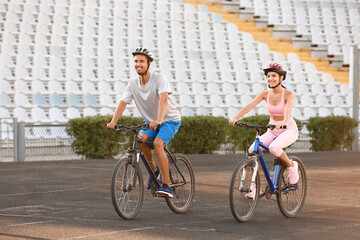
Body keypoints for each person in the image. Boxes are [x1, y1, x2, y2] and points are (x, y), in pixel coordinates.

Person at [107, 48, 181, 198]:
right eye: (136, 61)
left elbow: (164, 99)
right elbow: (122, 103)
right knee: (141, 140)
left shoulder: (159, 78)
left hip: (169, 120)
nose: (138, 64)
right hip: (150, 121)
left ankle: (166, 185)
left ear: (149, 63)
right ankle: (155, 171)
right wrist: (113, 121)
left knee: (158, 144)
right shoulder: (133, 83)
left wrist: (159, 120)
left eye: (141, 61)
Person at [229, 63, 299, 198]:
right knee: (252, 151)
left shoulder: (289, 94)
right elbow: (250, 105)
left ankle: (291, 166)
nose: (270, 78)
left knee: (274, 148)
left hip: (288, 129)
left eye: (274, 75)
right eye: (268, 76)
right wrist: (236, 118)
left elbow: (288, 110)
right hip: (272, 129)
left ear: (281, 77)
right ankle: (254, 188)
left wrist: (284, 122)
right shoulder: (265, 94)